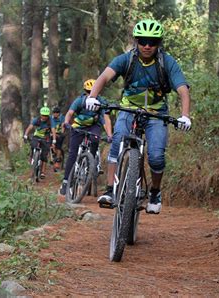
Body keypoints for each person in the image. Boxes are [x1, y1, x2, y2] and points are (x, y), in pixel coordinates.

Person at [85, 19, 192, 214]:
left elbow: (182, 89)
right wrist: (92, 97)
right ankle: (110, 190)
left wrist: (185, 116)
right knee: (117, 142)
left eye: (152, 42)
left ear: (159, 43)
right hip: (128, 110)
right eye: (143, 41)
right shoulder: (126, 59)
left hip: (156, 113)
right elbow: (104, 77)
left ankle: (155, 192)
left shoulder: (167, 62)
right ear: (136, 41)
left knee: (157, 157)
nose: (147, 46)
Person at [59, 79, 113, 196]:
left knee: (94, 140)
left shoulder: (101, 102)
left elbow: (106, 119)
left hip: (93, 126)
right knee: (73, 153)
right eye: (88, 91)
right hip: (78, 126)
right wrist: (67, 122)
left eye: (93, 91)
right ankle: (66, 181)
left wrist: (109, 135)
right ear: (85, 91)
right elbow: (70, 113)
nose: (91, 93)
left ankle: (91, 163)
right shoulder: (80, 101)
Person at [23, 105, 57, 179]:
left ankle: (43, 172)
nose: (44, 117)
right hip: (37, 136)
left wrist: (54, 140)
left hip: (46, 138)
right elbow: (30, 127)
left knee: (44, 155)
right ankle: (32, 157)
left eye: (46, 115)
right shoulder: (36, 119)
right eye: (43, 115)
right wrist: (25, 134)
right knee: (33, 145)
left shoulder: (50, 120)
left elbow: (53, 130)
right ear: (40, 114)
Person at [51, 106, 65, 172]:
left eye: (57, 113)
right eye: (54, 113)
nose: (55, 114)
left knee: (58, 146)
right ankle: (52, 155)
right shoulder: (51, 118)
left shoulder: (62, 117)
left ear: (59, 113)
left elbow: (63, 126)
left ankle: (58, 159)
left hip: (59, 134)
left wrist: (61, 133)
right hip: (52, 133)